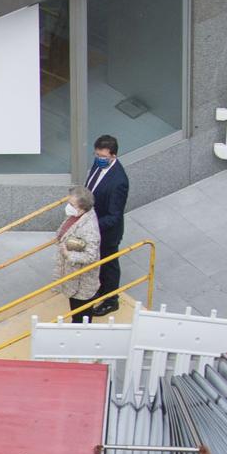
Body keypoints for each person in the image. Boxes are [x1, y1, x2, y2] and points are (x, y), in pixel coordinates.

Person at [85, 134, 129, 317]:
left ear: (113, 155)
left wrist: (90, 225)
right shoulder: (98, 164)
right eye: (97, 155)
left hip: (107, 231)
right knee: (100, 262)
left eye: (103, 157)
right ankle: (103, 290)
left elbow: (114, 216)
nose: (99, 160)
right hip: (94, 223)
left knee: (109, 264)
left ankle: (111, 300)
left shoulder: (119, 181)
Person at [54, 184, 104, 321]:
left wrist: (68, 254)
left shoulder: (89, 229)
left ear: (81, 208)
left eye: (71, 203)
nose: (68, 206)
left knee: (81, 314)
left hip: (81, 283)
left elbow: (91, 256)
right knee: (76, 310)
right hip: (73, 278)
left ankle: (80, 334)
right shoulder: (75, 216)